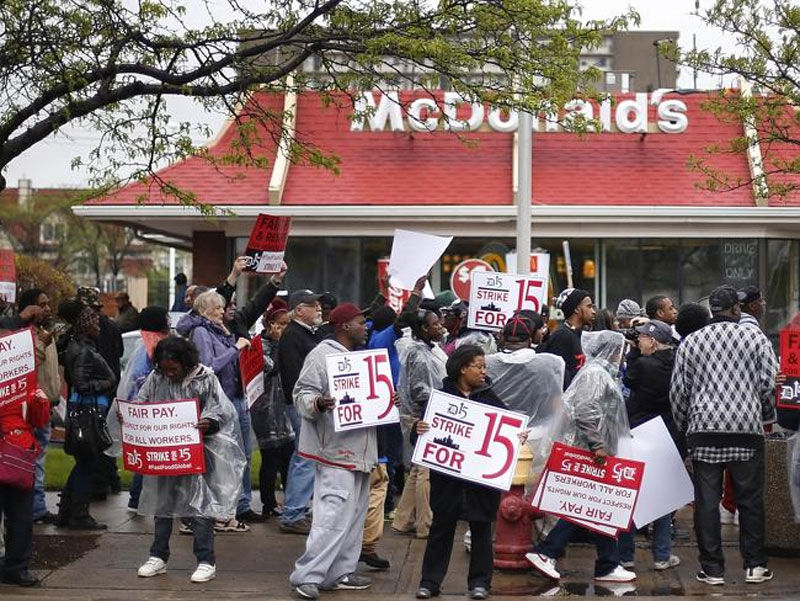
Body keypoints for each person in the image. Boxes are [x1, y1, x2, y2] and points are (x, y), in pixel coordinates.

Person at [670, 285, 778, 585]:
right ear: (736, 310)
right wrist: (749, 401)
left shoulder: (691, 342)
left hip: (704, 429)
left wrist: (684, 425)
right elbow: (769, 381)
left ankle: (712, 569)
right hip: (745, 428)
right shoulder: (755, 338)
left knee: (706, 501)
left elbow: (679, 391)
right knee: (750, 500)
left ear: (711, 311)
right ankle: (755, 566)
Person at [289, 303, 386, 600]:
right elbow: (302, 393)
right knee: (331, 516)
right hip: (334, 451)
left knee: (353, 518)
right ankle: (307, 576)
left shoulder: (356, 359)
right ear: (344, 326)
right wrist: (318, 403)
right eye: (360, 323)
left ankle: (339, 572)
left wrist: (385, 399)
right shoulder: (321, 355)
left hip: (360, 452)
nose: (365, 327)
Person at [415, 345, 526, 600]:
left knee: (481, 531)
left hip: (479, 483)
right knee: (441, 530)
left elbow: (506, 429)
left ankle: (480, 583)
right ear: (463, 368)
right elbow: (421, 436)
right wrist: (419, 429)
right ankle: (430, 581)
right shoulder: (440, 398)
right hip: (447, 481)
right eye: (479, 366)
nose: (484, 372)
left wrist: (516, 435)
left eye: (485, 366)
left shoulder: (489, 398)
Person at [133, 336, 246, 584]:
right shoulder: (157, 377)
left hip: (197, 454)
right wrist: (132, 416)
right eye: (164, 369)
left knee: (200, 507)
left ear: (185, 363)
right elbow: (141, 401)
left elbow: (223, 410)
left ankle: (206, 560)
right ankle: (158, 556)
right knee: (162, 506)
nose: (169, 374)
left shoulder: (205, 378)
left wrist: (210, 423)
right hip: (166, 454)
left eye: (173, 369)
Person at [527, 331, 636, 583]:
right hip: (588, 450)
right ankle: (547, 552)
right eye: (622, 350)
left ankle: (607, 564)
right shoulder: (596, 374)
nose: (624, 355)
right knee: (591, 505)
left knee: (599, 505)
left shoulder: (600, 372)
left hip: (595, 448)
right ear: (612, 350)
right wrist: (598, 445)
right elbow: (585, 409)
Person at [180, 290, 252, 531]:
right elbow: (208, 366)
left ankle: (223, 512)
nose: (224, 311)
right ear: (204, 310)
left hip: (229, 397)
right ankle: (208, 514)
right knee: (216, 459)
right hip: (213, 402)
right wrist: (236, 348)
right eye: (218, 308)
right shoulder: (201, 332)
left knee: (228, 458)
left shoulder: (219, 330)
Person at [618, 319, 681, 572]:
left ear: (653, 342)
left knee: (629, 494)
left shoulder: (643, 364)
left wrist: (632, 351)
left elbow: (629, 380)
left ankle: (625, 556)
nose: (639, 341)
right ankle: (662, 555)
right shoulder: (677, 363)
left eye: (642, 338)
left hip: (640, 434)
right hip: (667, 434)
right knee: (662, 497)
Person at [57, 305, 117, 530]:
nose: (99, 326)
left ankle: (68, 511)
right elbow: (82, 385)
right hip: (86, 414)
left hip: (83, 411)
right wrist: (107, 383)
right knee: (87, 463)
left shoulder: (81, 347)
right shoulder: (83, 351)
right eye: (95, 323)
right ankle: (79, 514)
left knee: (84, 463)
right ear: (86, 325)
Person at [108, 306, 172, 511]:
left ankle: (136, 497)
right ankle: (138, 497)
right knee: (151, 453)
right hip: (149, 409)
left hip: (146, 408)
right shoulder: (151, 345)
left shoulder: (144, 342)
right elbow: (140, 377)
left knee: (147, 452)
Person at [392, 306, 447, 540]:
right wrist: (436, 408)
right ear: (424, 328)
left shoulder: (424, 349)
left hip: (418, 414)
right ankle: (426, 525)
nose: (440, 326)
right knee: (426, 470)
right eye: (435, 324)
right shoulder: (419, 353)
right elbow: (419, 390)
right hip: (421, 416)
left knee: (417, 469)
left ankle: (403, 520)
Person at [277, 289, 323, 534]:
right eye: (312, 304)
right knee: (306, 456)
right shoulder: (294, 335)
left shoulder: (303, 333)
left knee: (305, 455)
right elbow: (298, 378)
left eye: (318, 304)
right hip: (300, 404)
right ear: (298, 310)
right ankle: (293, 512)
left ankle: (297, 509)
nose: (318, 308)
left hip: (304, 403)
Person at [0, 381, 51, 587]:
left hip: (17, 455)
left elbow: (39, 420)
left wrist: (39, 400)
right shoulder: (24, 382)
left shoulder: (26, 384)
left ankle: (16, 567)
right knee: (20, 515)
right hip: (18, 453)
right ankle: (16, 568)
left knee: (20, 515)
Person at [16, 288, 60, 525]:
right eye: (42, 304)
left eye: (48, 303)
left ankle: (37, 507)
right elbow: (25, 367)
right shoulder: (22, 336)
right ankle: (33, 508)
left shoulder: (45, 333)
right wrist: (41, 346)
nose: (47, 308)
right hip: (29, 410)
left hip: (46, 407)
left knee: (40, 459)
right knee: (31, 460)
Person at [75, 286, 124, 499]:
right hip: (107, 391)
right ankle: (110, 480)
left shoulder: (82, 331)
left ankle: (97, 485)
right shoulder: (111, 326)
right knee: (104, 437)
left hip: (92, 394)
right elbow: (120, 352)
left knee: (90, 441)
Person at [251, 300, 295, 517]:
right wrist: (279, 343)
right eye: (282, 323)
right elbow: (274, 368)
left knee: (289, 454)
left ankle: (291, 500)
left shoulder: (287, 343)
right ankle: (268, 502)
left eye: (288, 323)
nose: (286, 328)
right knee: (271, 457)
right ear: (271, 325)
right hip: (265, 410)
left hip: (284, 408)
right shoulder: (260, 346)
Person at [536, 288, 595, 390]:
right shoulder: (563, 336)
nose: (593, 312)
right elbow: (558, 376)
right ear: (576, 309)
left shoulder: (578, 334)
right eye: (589, 307)